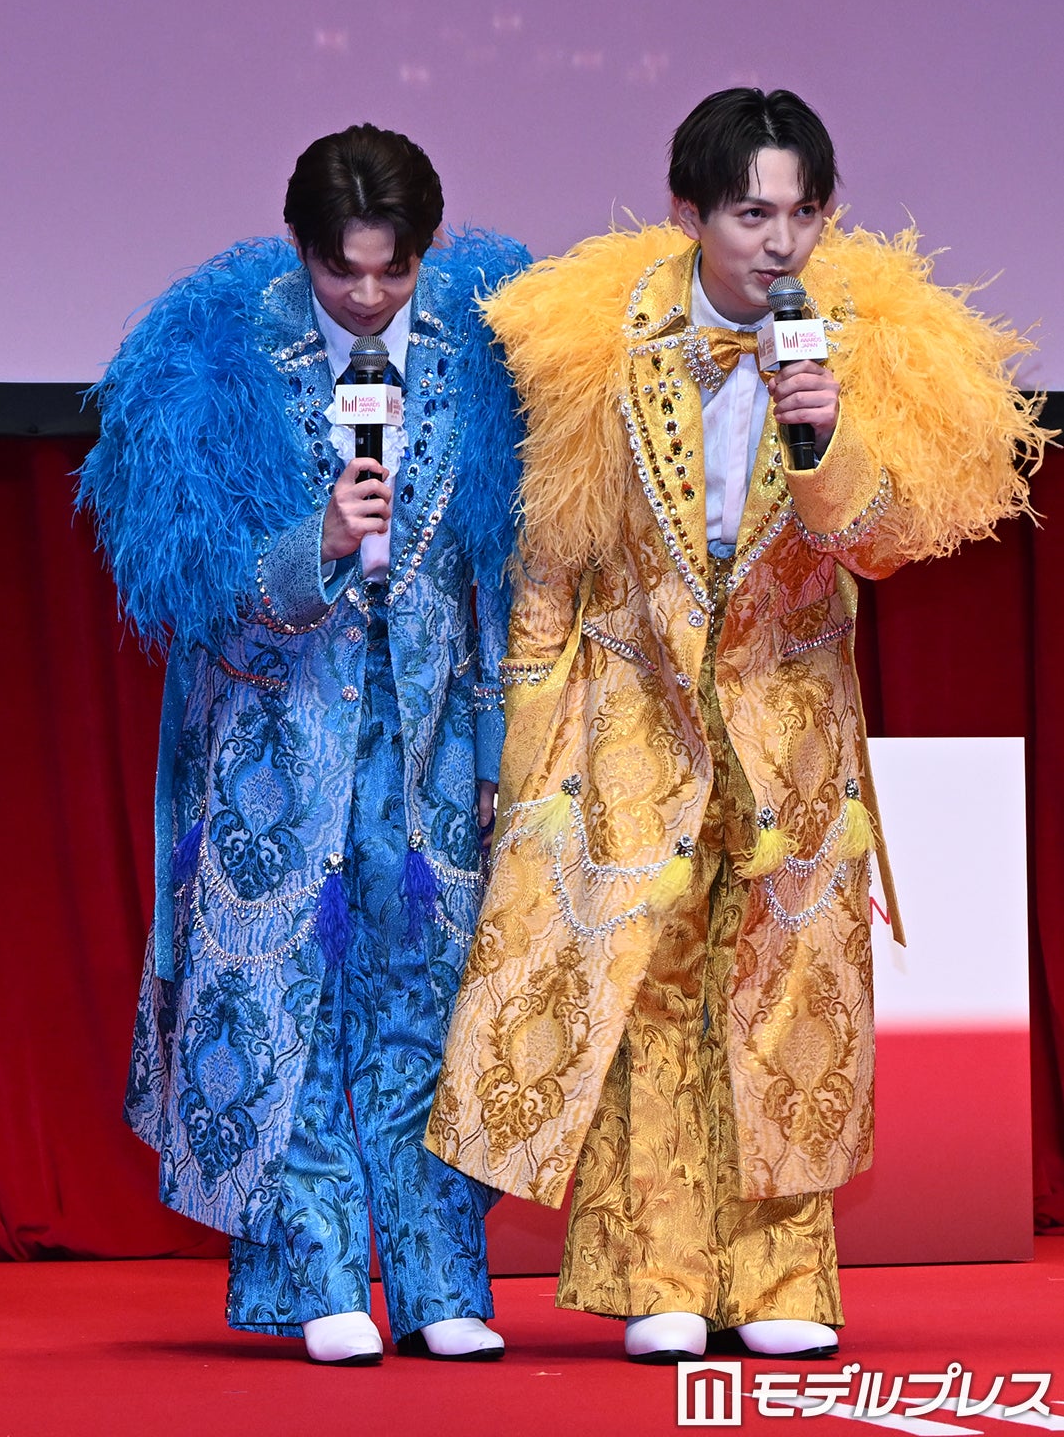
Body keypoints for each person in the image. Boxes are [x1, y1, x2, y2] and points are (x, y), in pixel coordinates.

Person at [426, 88, 1045, 1363]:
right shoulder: (599, 335)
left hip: (789, 720)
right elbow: (552, 563)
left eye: (802, 213)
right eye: (752, 214)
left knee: (788, 994)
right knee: (644, 981)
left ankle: (782, 1281)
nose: (780, 241)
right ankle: (657, 1270)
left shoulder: (871, 342)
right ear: (689, 212)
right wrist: (523, 752)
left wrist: (824, 435)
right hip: (630, 714)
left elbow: (880, 545)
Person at [81, 124, 529, 1365]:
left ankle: (441, 1281)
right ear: (303, 250)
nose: (371, 298)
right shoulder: (215, 357)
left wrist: (500, 751)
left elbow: (506, 572)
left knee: (427, 997)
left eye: (395, 271)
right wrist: (315, 543)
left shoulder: (480, 356)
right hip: (275, 739)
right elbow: (191, 588)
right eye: (345, 272)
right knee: (286, 996)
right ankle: (320, 1272)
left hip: (428, 742)